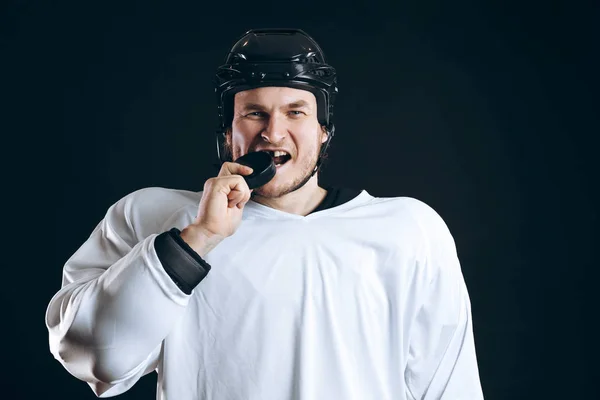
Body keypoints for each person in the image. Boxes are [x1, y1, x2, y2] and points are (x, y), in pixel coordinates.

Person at [45, 28, 485, 399]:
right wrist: (198, 239)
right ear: (227, 130)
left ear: (323, 129)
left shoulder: (409, 230)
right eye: (254, 113)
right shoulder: (152, 216)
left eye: (296, 112)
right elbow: (94, 357)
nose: (273, 133)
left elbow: (450, 387)